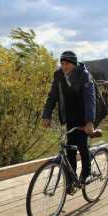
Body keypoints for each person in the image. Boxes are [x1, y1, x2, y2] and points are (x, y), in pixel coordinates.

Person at [41, 51, 96, 193]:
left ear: (74, 63)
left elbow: (90, 99)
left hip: (84, 115)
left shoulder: (84, 75)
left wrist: (89, 121)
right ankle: (71, 180)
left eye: (67, 63)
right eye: (62, 63)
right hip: (69, 116)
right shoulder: (58, 75)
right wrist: (46, 115)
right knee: (70, 149)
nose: (64, 66)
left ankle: (87, 174)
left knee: (82, 145)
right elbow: (52, 96)